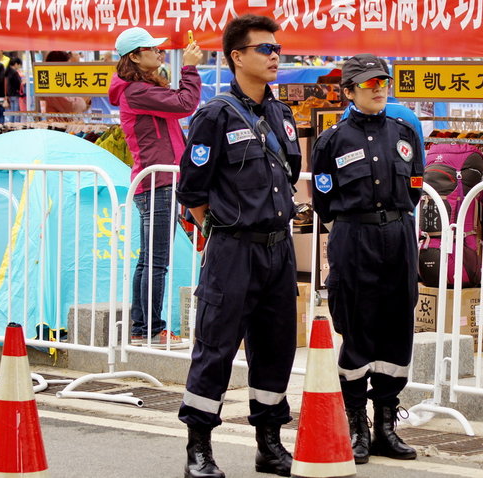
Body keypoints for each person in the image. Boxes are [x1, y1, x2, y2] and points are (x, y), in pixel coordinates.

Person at [177, 14, 301, 478]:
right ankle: (199, 450)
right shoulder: (213, 115)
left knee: (276, 349)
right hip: (232, 251)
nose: (275, 56)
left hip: (278, 251)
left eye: (276, 48)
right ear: (236, 56)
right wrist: (225, 232)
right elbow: (193, 191)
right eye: (264, 49)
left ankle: (269, 443)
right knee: (215, 349)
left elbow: (285, 177)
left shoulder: (281, 114)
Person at [310, 53, 423, 465]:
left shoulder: (404, 131)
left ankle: (386, 425)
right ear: (350, 91)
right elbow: (324, 200)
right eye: (369, 83)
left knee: (397, 329)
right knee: (357, 330)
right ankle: (357, 424)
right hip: (353, 237)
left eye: (383, 82)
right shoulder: (332, 140)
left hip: (397, 236)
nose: (379, 88)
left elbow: (414, 186)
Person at [108, 27, 203, 348]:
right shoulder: (135, 91)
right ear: (134, 56)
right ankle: (149, 328)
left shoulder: (139, 89)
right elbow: (186, 103)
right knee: (155, 260)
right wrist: (189, 68)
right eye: (153, 49)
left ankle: (143, 327)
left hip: (159, 181)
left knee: (151, 259)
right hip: (156, 183)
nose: (160, 53)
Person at [41, 51, 91, 121]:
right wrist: (83, 99)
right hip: (60, 128)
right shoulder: (53, 84)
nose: (69, 68)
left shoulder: (61, 81)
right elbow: (71, 106)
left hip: (68, 126)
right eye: (68, 65)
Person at [3, 57, 24, 122]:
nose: (19, 67)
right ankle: (16, 126)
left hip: (9, 95)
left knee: (12, 113)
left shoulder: (7, 71)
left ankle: (11, 126)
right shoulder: (14, 73)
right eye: (19, 65)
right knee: (16, 113)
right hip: (15, 94)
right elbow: (18, 83)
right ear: (15, 64)